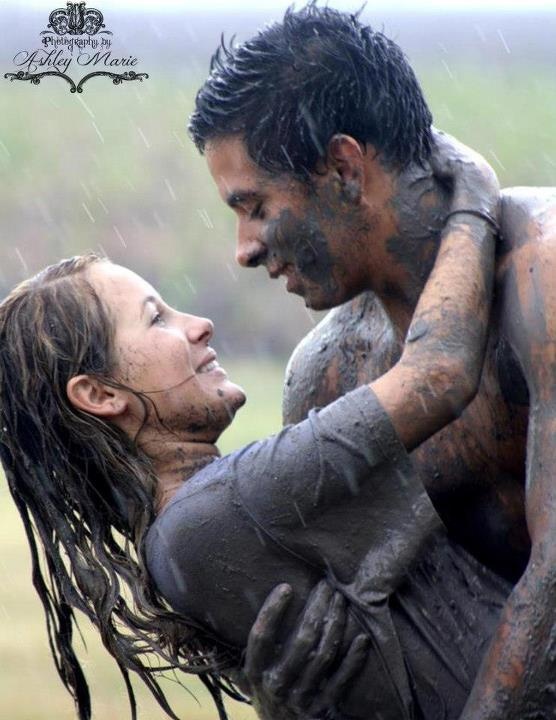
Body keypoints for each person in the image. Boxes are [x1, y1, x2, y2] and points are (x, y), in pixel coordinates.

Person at [0, 138, 503, 720]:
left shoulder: (185, 536)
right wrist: (475, 190)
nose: (201, 325)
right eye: (156, 318)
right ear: (101, 395)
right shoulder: (216, 510)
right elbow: (438, 373)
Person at [189, 5, 556, 717]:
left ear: (344, 168)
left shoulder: (542, 279)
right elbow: (369, 628)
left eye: (254, 205)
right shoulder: (328, 373)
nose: (244, 247)